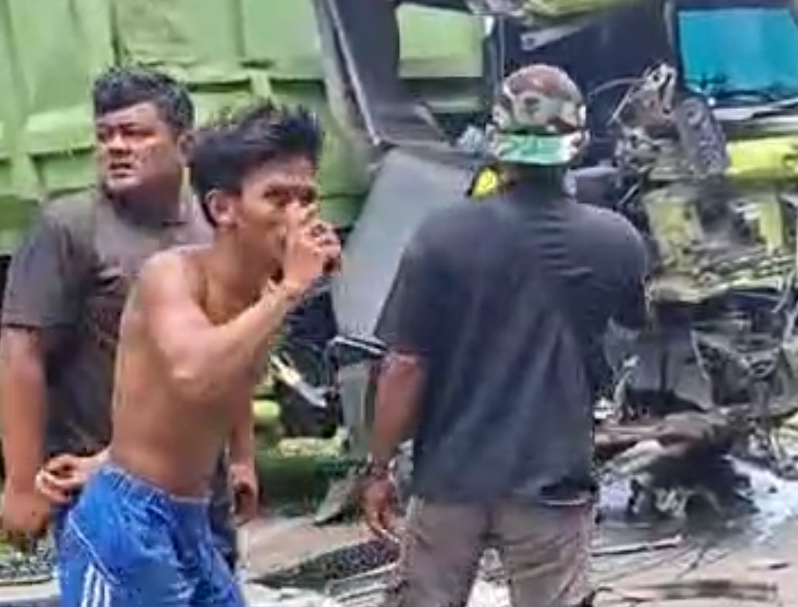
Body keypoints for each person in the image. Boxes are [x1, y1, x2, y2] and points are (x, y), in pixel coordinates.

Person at [361, 64, 650, 607]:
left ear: (497, 140)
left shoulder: (442, 235)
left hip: (450, 479)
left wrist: (377, 469)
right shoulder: (618, 241)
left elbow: (405, 366)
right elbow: (626, 340)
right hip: (554, 482)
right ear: (578, 143)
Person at [53, 101, 341, 607]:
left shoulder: (259, 293)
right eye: (277, 198)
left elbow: (222, 382)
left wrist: (243, 458)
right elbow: (193, 371)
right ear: (223, 207)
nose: (296, 216)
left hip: (192, 516)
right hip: (128, 523)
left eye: (306, 199)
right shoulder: (172, 275)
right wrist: (291, 289)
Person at [0, 67, 254, 565]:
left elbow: (229, 350)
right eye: (104, 135)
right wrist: (21, 483)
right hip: (105, 487)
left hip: (203, 486)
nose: (116, 146)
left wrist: (242, 455)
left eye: (135, 133)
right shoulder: (70, 228)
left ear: (184, 145)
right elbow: (19, 353)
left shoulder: (214, 224)